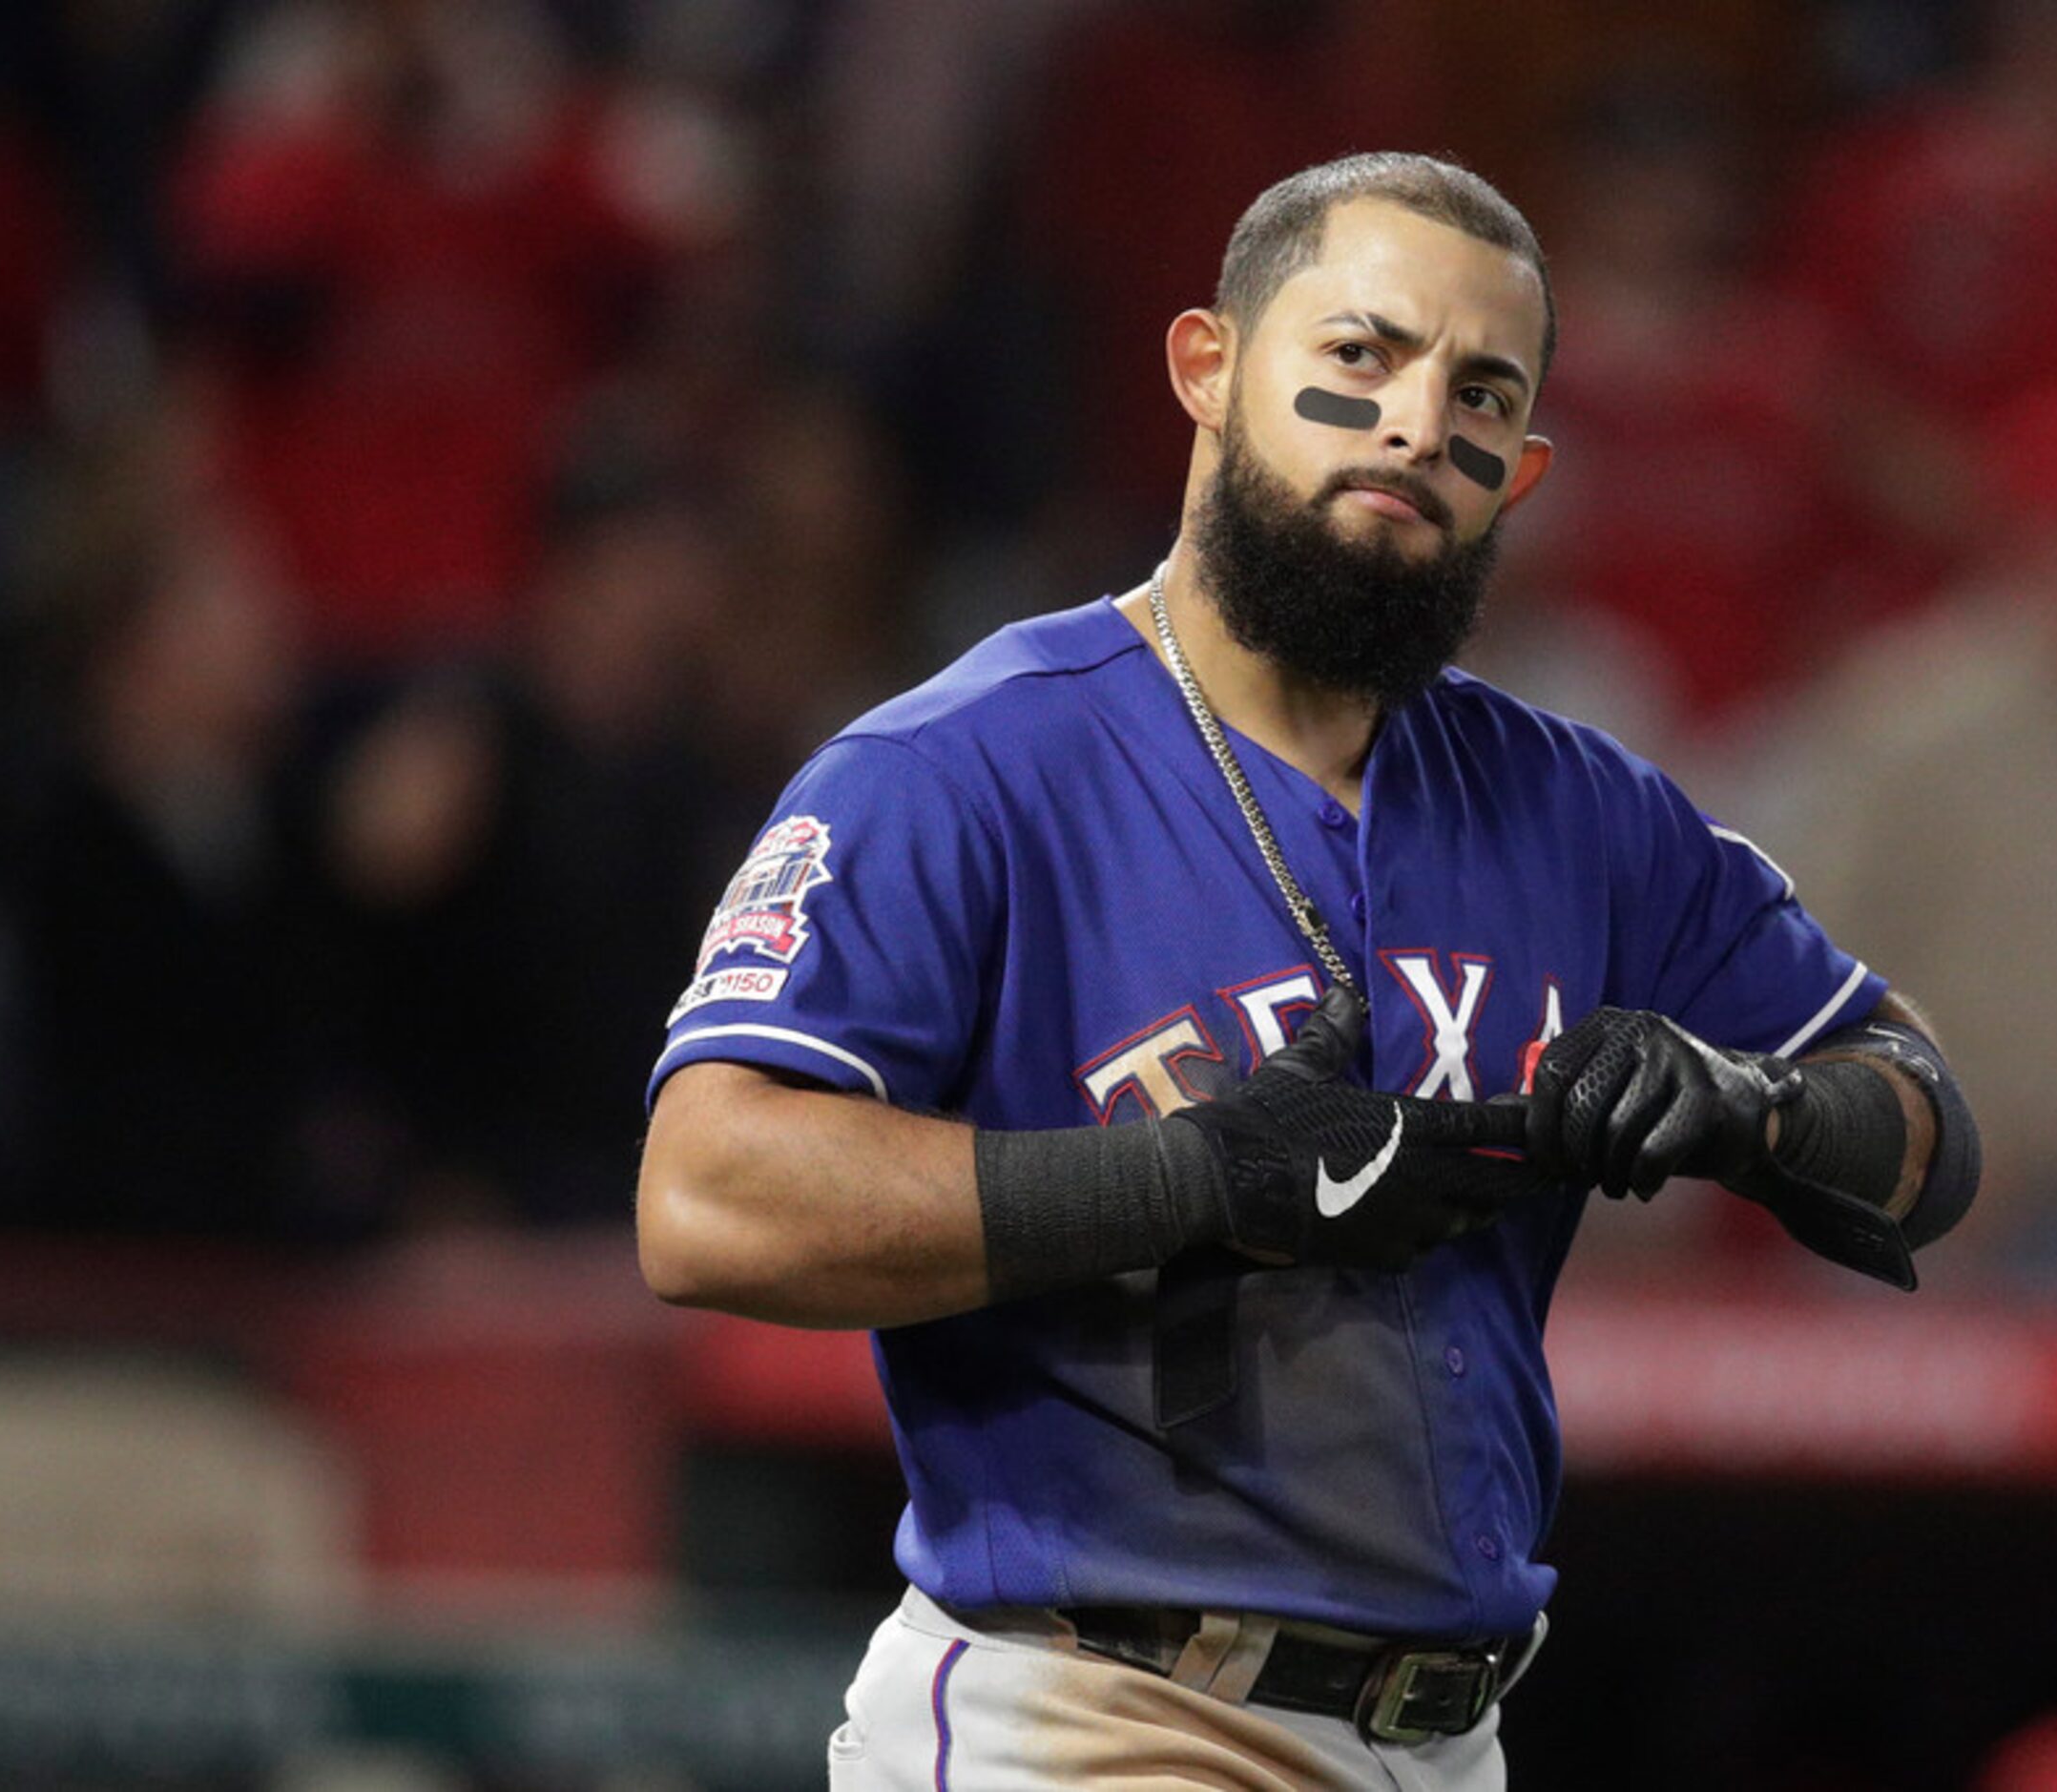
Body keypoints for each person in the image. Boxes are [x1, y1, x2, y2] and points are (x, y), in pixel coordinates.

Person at [635, 153, 1980, 1791]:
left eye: (1481, 392)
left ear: (1524, 472)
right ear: (1208, 366)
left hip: (1448, 1733)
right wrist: (1198, 1174)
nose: (1420, 422)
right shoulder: (959, 766)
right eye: (1362, 354)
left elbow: (1923, 1130)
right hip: (1095, 1709)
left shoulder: (1583, 809)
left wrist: (1745, 1104)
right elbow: (706, 1200)